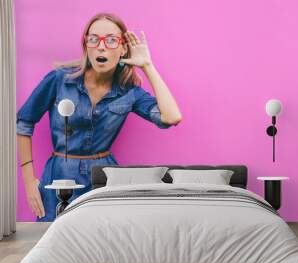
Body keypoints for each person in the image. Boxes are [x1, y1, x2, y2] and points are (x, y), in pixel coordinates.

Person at [16, 12, 182, 222]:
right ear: (87, 46)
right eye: (94, 39)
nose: (101, 46)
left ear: (123, 48)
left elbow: (172, 117)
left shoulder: (129, 92)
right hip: (60, 177)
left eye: (111, 40)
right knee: (54, 241)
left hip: (104, 179)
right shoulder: (60, 80)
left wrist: (147, 65)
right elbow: (23, 122)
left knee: (102, 243)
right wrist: (29, 181)